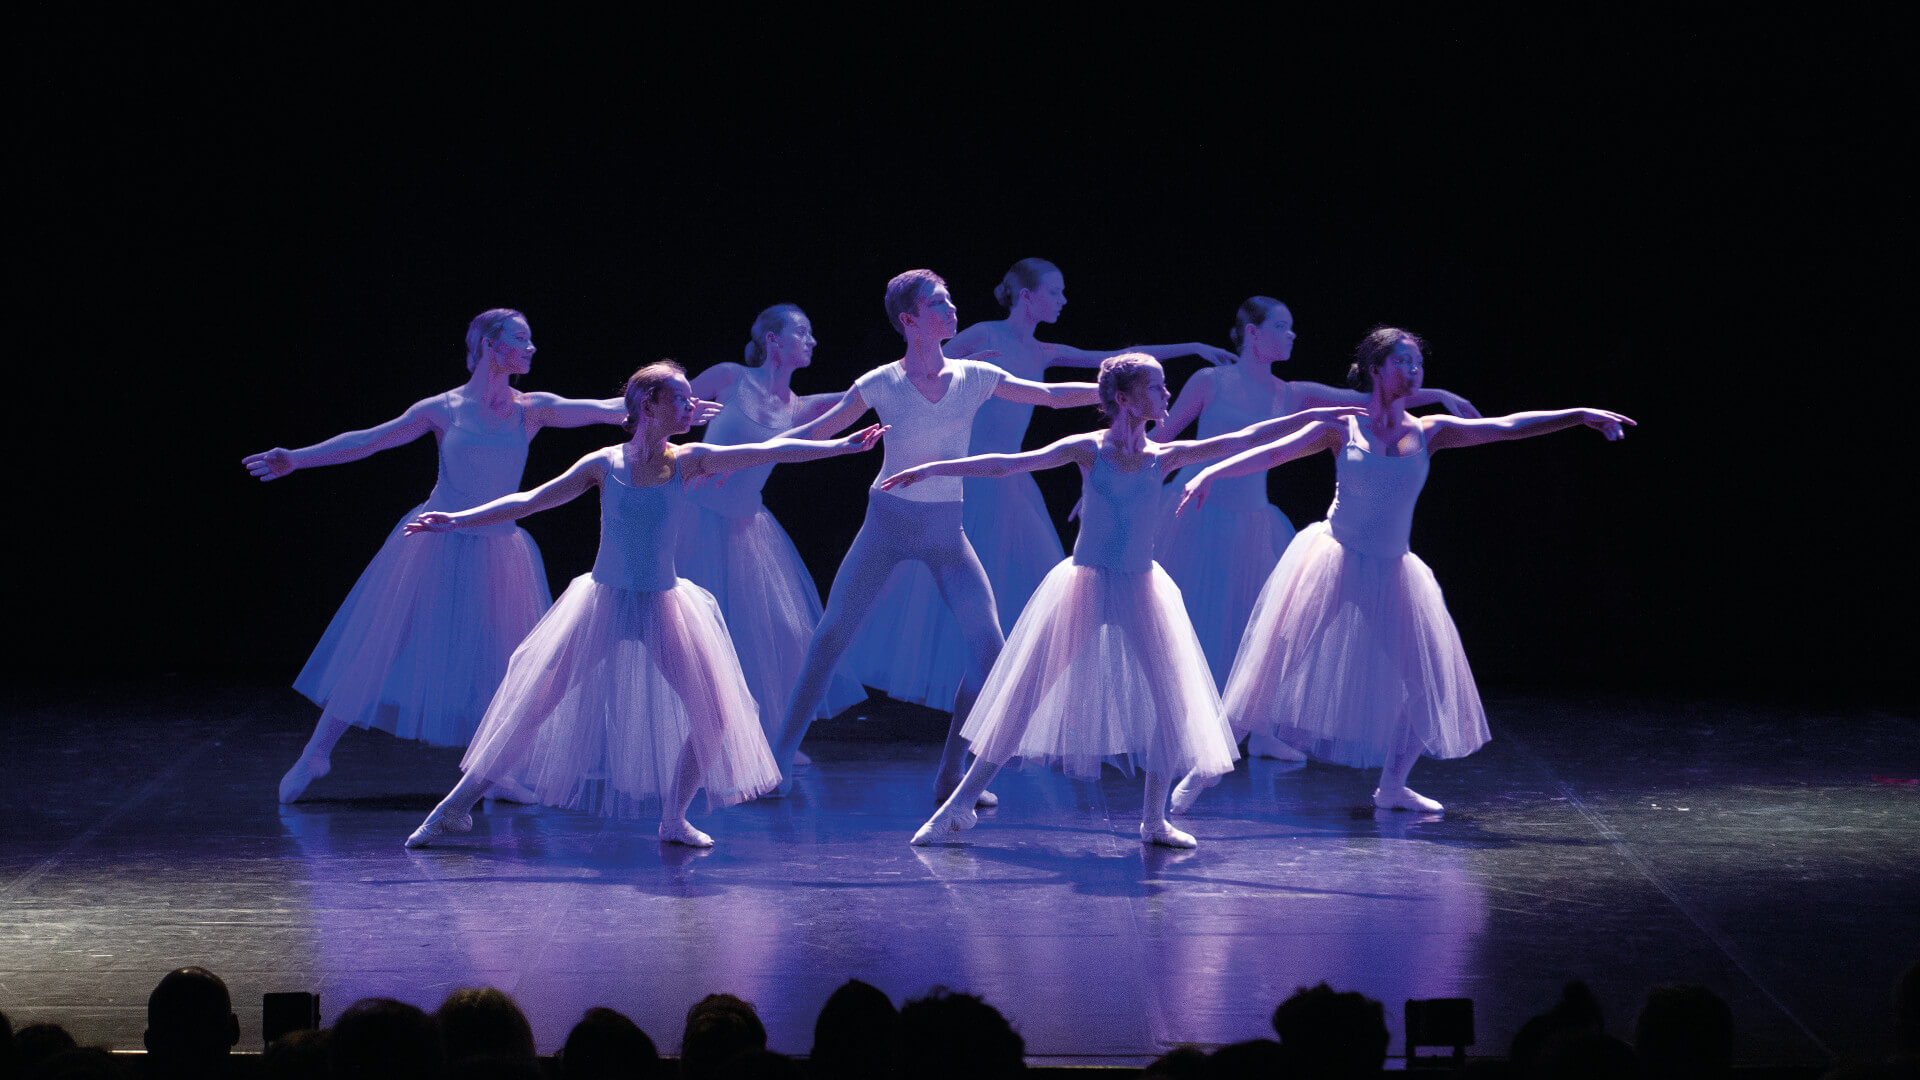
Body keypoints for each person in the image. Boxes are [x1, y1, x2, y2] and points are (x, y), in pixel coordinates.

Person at [402, 361, 884, 848]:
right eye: (679, 397)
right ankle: (453, 807)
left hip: (662, 605)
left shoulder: (689, 459)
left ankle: (674, 818)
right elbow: (531, 500)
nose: (691, 406)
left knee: (714, 715)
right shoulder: (603, 464)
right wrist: (459, 519)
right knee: (532, 708)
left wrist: (837, 446)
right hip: (603, 603)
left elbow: (766, 449)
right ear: (648, 405)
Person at [244, 309, 712, 804]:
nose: (532, 349)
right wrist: (297, 457)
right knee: (384, 640)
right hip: (435, 539)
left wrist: (674, 406)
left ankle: (495, 769)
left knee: (507, 659)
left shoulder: (531, 408)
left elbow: (610, 406)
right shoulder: (442, 410)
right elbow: (371, 439)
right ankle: (318, 751)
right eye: (521, 339)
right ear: (491, 345)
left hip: (499, 547)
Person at [897, 355, 1361, 847]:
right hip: (1084, 586)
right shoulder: (1088, 449)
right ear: (1123, 398)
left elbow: (1246, 438)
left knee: (1173, 705)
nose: (1167, 396)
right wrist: (934, 468)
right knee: (1024, 696)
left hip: (1142, 590)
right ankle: (958, 805)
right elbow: (1010, 463)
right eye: (1157, 388)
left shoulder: (1165, 456)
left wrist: (1312, 418)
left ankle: (1153, 819)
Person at [1171, 327, 1632, 813]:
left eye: (1418, 365)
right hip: (1331, 560)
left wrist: (1579, 415)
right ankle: (1205, 771)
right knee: (1269, 672)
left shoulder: (1428, 432)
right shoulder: (1341, 427)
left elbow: (1509, 426)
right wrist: (1208, 472)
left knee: (1427, 681)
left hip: (1394, 570)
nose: (1413, 373)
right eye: (1402, 363)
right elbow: (1273, 451)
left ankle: (1392, 785)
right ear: (1375, 369)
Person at [769, 269, 1102, 805]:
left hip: (947, 532)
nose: (952, 311)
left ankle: (951, 770)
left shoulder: (974, 377)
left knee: (990, 650)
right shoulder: (882, 382)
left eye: (950, 301)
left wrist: (1113, 386)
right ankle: (781, 756)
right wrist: (739, 458)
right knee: (831, 637)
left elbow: (1048, 395)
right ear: (910, 320)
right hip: (887, 527)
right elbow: (818, 431)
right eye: (938, 304)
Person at [847, 258, 1237, 710]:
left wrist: (1186, 348)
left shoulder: (1043, 352)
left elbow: (1113, 364)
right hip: (971, 477)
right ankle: (965, 704)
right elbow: (926, 364)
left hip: (1012, 487)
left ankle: (1007, 705)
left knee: (1027, 599)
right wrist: (962, 365)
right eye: (1055, 291)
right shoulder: (983, 335)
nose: (1063, 300)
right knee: (946, 598)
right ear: (1026, 295)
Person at [1150, 296, 1477, 759]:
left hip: (1251, 520)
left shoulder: (1292, 393)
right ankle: (1184, 730)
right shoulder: (1211, 381)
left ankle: (1257, 731)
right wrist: (1118, 476)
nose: (1292, 335)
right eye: (1282, 327)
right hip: (1196, 512)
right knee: (1190, 620)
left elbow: (1371, 399)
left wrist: (1438, 396)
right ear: (1252, 333)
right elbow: (1166, 437)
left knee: (1258, 632)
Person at [680, 304, 867, 766]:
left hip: (748, 527)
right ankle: (687, 740)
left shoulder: (799, 407)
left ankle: (762, 737)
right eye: (801, 332)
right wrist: (688, 457)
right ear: (772, 341)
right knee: (692, 632)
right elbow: (660, 414)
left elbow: (864, 395)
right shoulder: (728, 377)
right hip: (694, 521)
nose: (812, 341)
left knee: (772, 631)